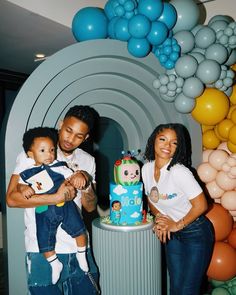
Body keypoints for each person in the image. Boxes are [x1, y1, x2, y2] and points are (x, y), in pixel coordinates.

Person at [6, 105, 100, 295]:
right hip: (42, 249)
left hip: (78, 246)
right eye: (68, 130)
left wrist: (87, 184)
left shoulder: (88, 160)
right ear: (61, 124)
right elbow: (12, 199)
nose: (70, 139)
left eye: (79, 136)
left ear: (86, 137)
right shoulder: (35, 151)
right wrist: (55, 197)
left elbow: (90, 207)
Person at [141, 123, 214, 295]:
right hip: (173, 233)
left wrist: (175, 225)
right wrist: (160, 219)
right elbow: (152, 199)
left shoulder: (179, 172)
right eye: (163, 139)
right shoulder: (146, 168)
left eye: (174, 142)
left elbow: (201, 205)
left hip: (196, 232)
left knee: (188, 290)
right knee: (175, 287)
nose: (167, 145)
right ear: (153, 141)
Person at [19, 127, 89, 284]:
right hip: (43, 210)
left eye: (51, 150)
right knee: (44, 239)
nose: (49, 154)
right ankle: (54, 263)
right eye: (43, 150)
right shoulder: (27, 172)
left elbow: (72, 175)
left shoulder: (60, 166)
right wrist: (24, 189)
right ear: (31, 154)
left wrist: (79, 175)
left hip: (65, 206)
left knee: (79, 230)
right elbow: (19, 187)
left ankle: (81, 254)